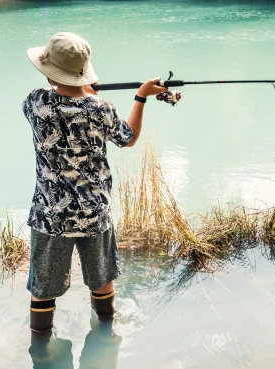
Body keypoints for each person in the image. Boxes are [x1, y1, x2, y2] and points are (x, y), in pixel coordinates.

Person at [22, 32, 168, 332]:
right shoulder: (102, 109)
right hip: (94, 214)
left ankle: (41, 346)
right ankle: (105, 334)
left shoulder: (35, 103)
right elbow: (127, 139)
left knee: (44, 286)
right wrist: (141, 96)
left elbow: (59, 96)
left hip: (51, 215)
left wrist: (79, 89)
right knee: (101, 278)